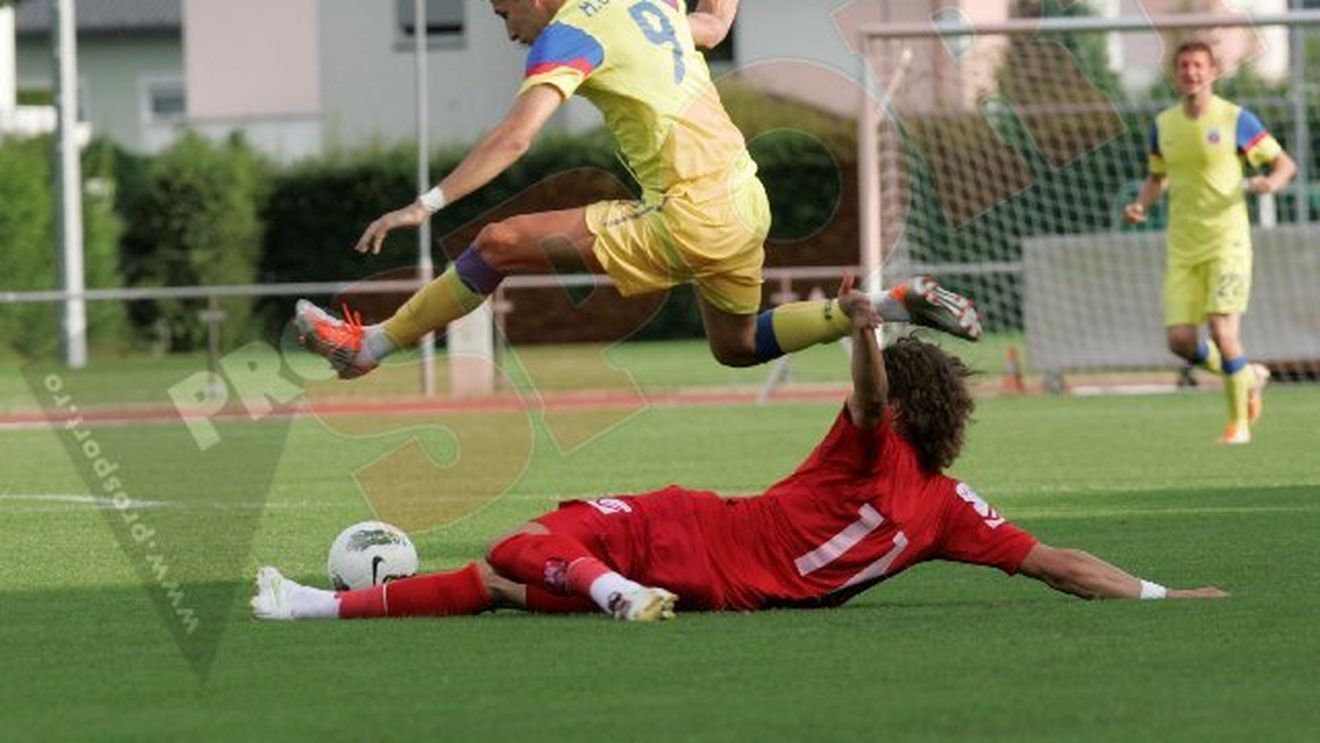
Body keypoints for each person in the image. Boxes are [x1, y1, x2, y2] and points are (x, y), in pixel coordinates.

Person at [252, 277, 1225, 623]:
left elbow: (870, 392)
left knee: (520, 541)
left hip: (690, 527)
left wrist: (855, 325)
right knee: (498, 586)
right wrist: (1161, 594)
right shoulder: (947, 512)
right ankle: (314, 605)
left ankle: (614, 591)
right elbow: (1058, 565)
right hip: (727, 588)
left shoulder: (868, 444)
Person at [293, 0, 981, 381]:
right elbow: (711, 26)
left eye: (508, 15)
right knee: (735, 347)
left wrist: (427, 202)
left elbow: (515, 138)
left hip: (688, 210)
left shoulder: (567, 34)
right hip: (746, 200)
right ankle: (882, 305)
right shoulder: (640, 3)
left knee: (495, 242)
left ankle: (370, 348)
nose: (510, 33)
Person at [1123, 40, 1295, 445]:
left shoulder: (1236, 119)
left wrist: (1272, 181)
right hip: (1183, 247)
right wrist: (1140, 205)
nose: (1191, 73)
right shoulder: (1163, 125)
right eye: (1183, 66)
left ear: (1213, 71)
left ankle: (1239, 426)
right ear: (1175, 73)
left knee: (1222, 330)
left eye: (1198, 65)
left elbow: (1284, 163)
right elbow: (1156, 178)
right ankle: (1248, 375)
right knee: (1180, 342)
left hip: (1227, 243)